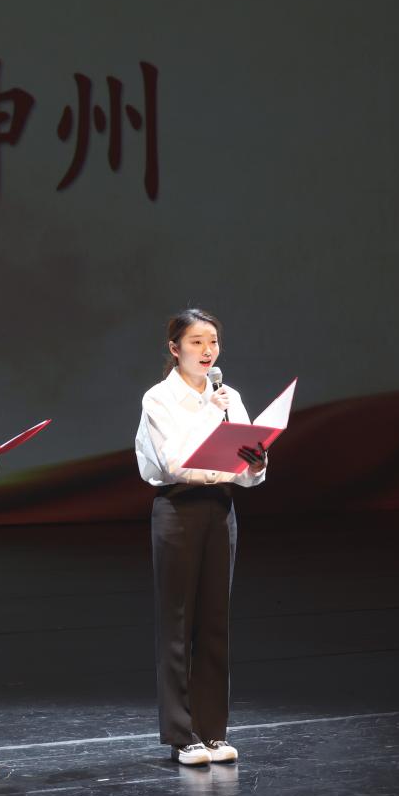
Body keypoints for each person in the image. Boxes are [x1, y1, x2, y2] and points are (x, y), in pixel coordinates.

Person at [134, 308, 268, 766]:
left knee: (214, 621)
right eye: (196, 342)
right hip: (178, 508)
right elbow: (173, 462)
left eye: (212, 341)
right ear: (175, 349)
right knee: (177, 622)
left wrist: (256, 463)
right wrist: (208, 411)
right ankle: (181, 734)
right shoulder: (159, 398)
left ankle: (213, 731)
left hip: (220, 509)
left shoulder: (229, 397)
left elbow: (245, 469)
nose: (207, 350)